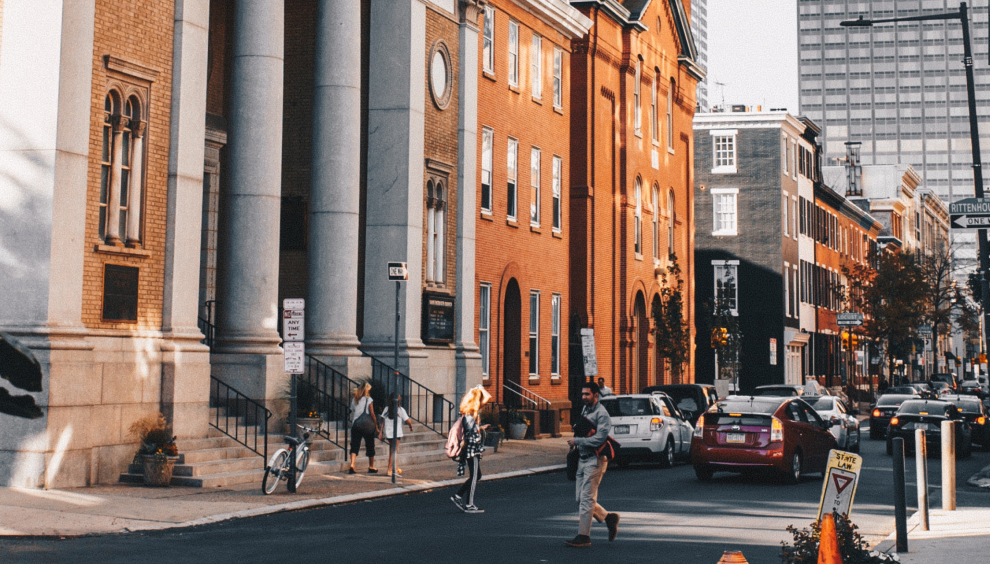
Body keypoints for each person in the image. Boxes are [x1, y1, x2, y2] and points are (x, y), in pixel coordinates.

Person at [566, 382, 619, 547]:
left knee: (587, 499)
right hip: (582, 458)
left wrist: (578, 440)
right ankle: (608, 517)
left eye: (587, 394)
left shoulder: (602, 415)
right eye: (582, 394)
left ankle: (584, 536)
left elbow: (600, 439)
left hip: (595, 460)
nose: (584, 397)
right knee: (580, 499)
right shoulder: (585, 409)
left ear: (596, 395)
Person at [451, 385, 491, 514]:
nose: (481, 402)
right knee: (474, 476)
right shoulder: (469, 414)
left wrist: (481, 428)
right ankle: (469, 504)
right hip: (471, 448)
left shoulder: (470, 413)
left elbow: (472, 430)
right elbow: (469, 432)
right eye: (479, 399)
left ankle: (458, 496)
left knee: (477, 475)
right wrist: (479, 388)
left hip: (473, 447)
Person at [379, 392, 415, 475]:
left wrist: (381, 432)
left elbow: (382, 421)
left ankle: (395, 467)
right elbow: (408, 420)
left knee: (393, 450)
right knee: (394, 451)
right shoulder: (400, 410)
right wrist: (411, 426)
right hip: (396, 433)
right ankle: (389, 469)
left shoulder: (386, 409)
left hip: (388, 432)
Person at [348, 382, 378, 474]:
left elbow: (352, 410)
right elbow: (372, 413)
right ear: (367, 390)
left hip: (356, 424)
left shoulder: (355, 399)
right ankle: (371, 466)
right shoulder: (369, 399)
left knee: (354, 445)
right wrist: (376, 426)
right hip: (367, 425)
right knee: (370, 445)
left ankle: (352, 464)